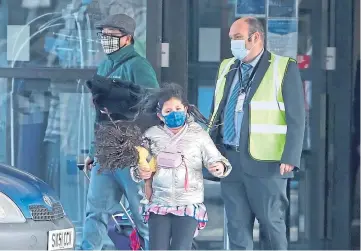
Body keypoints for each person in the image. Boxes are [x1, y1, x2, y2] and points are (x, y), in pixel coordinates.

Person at [207, 17, 305, 250]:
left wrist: (290, 155)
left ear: (256, 37)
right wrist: (210, 150)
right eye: (231, 38)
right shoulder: (227, 67)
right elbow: (216, 111)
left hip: (267, 161)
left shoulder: (283, 67)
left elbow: (296, 116)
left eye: (238, 38)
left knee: (271, 224)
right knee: (237, 227)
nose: (233, 43)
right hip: (230, 159)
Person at [81, 13, 159, 250]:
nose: (106, 39)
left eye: (112, 35)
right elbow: (100, 115)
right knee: (95, 213)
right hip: (106, 153)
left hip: (131, 153)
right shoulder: (105, 65)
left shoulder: (139, 66)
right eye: (103, 35)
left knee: (142, 216)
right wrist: (94, 151)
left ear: (127, 38)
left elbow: (153, 106)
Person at [131, 84, 232, 250]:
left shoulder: (198, 134)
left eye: (178, 108)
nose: (175, 113)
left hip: (188, 203)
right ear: (160, 116)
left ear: (186, 109)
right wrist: (139, 171)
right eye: (168, 111)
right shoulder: (151, 135)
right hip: (159, 203)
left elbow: (215, 158)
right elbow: (137, 164)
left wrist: (219, 166)